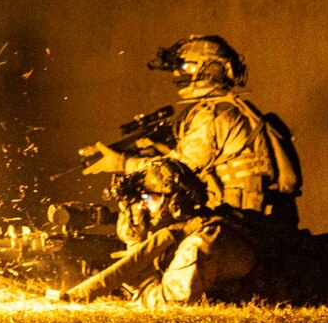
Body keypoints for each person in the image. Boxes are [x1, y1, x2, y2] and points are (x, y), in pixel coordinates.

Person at [60, 160, 328, 309]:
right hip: (317, 285)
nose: (142, 210)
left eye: (149, 200)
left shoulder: (202, 243)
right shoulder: (203, 225)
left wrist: (139, 280)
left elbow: (172, 304)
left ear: (174, 203)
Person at [83, 35, 303, 226]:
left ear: (212, 68)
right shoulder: (229, 108)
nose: (180, 75)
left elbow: (175, 171)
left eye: (187, 68)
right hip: (244, 217)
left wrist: (122, 164)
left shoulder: (214, 113)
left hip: (235, 221)